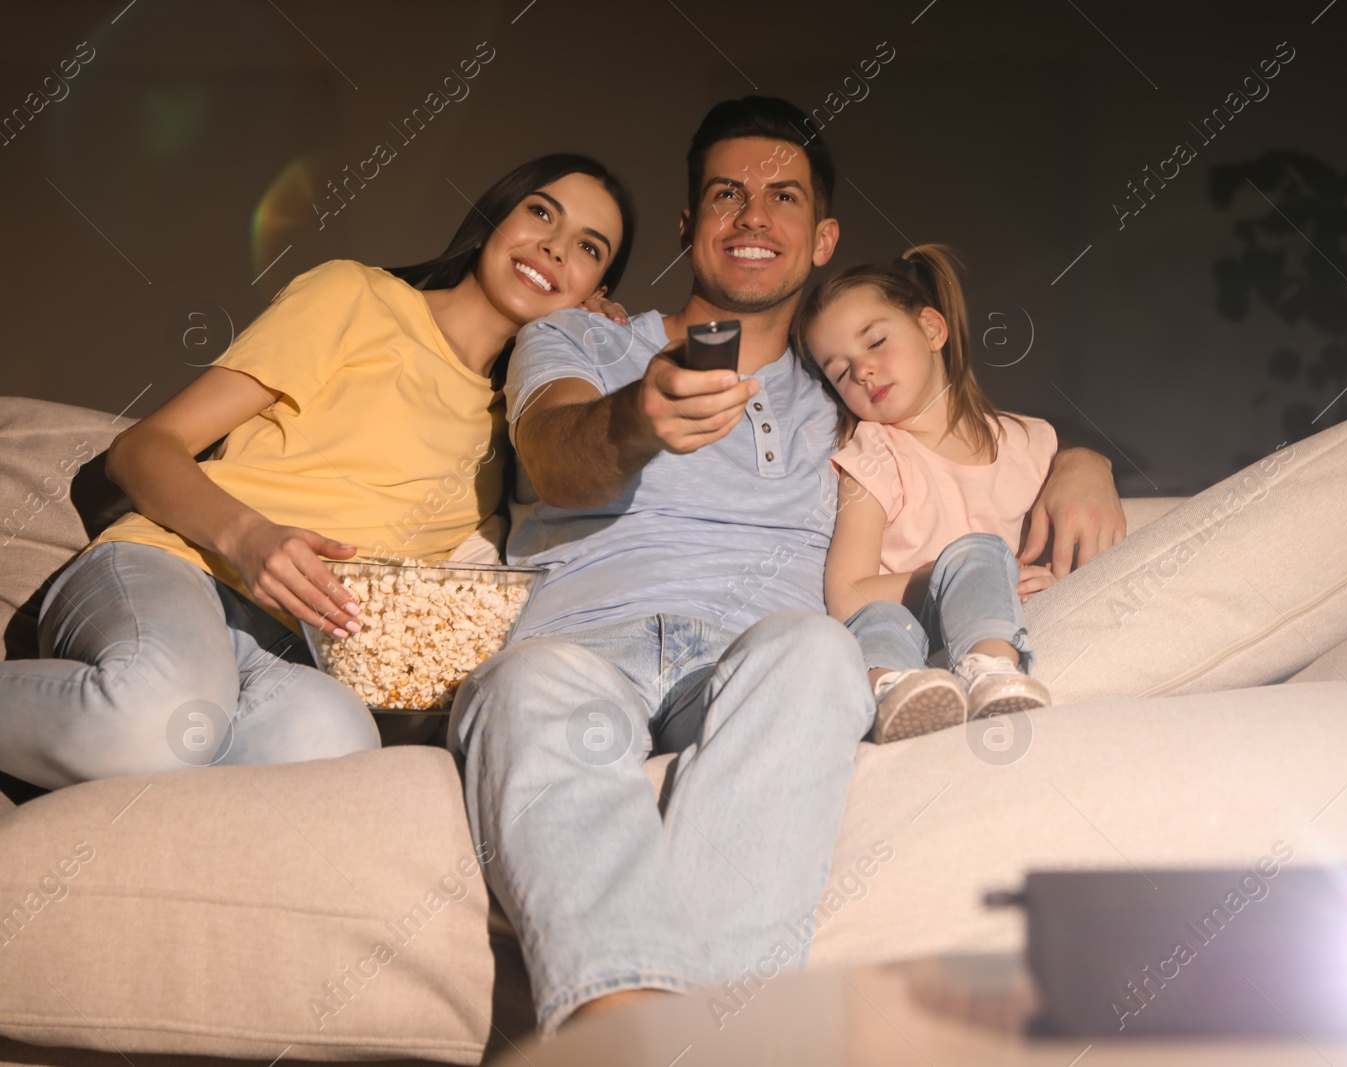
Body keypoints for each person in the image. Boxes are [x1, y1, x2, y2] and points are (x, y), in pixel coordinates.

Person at [446, 96, 1127, 1037]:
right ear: (690, 227)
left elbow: (965, 414)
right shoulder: (585, 341)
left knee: (815, 652)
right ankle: (628, 1027)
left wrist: (1085, 455)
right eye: (726, 194)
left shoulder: (849, 388)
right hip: (579, 644)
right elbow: (557, 449)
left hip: (750, 660)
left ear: (820, 238)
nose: (753, 216)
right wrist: (636, 418)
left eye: (783, 197)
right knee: (528, 683)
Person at [0, 154, 634, 790]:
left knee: (336, 747)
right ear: (496, 218)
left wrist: (598, 346)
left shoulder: (520, 430)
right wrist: (249, 539)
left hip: (291, 651)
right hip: (177, 566)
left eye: (588, 247)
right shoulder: (357, 296)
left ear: (597, 289)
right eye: (541, 212)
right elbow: (143, 447)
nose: (553, 247)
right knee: (150, 717)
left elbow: (598, 461)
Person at [795, 243, 1058, 743]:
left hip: (991, 619)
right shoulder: (874, 453)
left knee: (984, 556)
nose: (862, 371)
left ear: (932, 329)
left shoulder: (1030, 443)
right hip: (901, 630)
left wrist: (1042, 578)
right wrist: (949, 576)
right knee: (890, 614)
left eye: (874, 342)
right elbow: (847, 592)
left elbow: (1067, 546)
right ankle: (895, 693)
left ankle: (994, 673)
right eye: (839, 371)